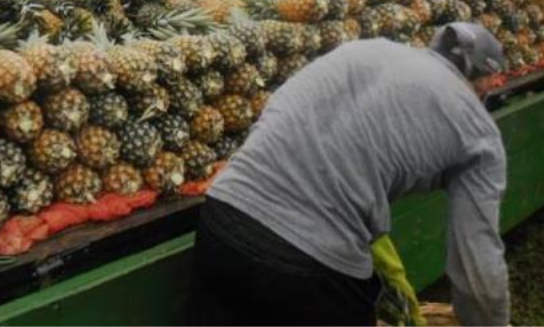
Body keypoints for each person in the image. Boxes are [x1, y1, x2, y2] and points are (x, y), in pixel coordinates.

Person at [189, 22, 510, 327]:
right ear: (487, 79)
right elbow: (478, 269)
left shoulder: (366, 50)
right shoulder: (479, 132)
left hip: (223, 223)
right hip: (309, 267)